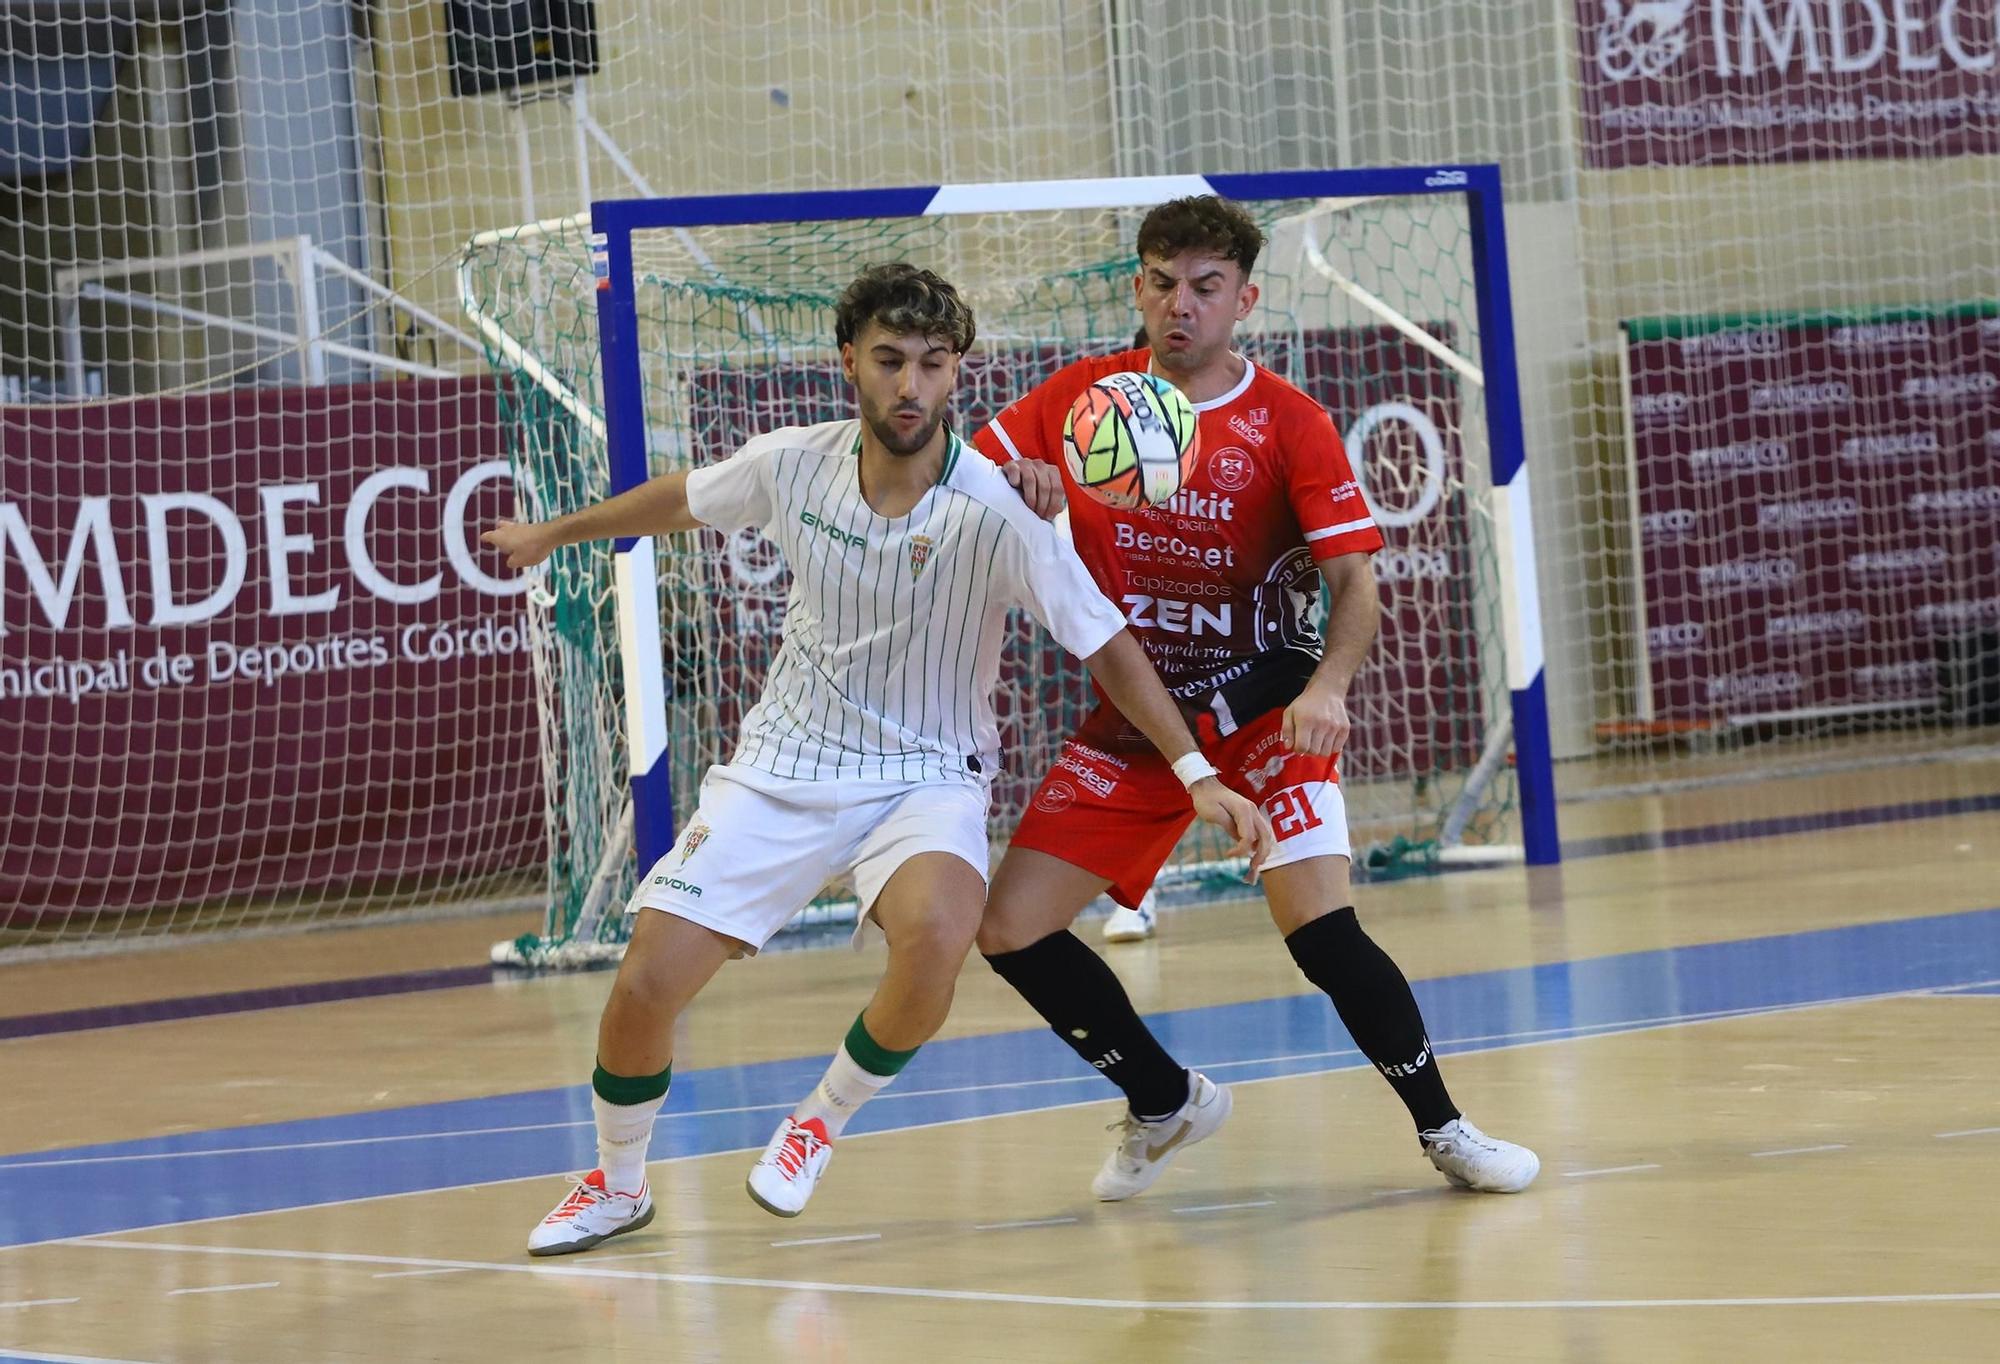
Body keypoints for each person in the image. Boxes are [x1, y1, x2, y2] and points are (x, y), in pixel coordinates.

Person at [483, 262, 1275, 1255]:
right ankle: (615, 1181)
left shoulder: (1002, 508)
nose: (909, 384)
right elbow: (677, 501)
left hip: (928, 774)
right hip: (782, 764)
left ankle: (816, 1120)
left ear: (957, 374)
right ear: (848, 360)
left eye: (931, 364)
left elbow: (1109, 646)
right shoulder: (789, 462)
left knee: (940, 932)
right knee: (644, 982)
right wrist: (552, 534)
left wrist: (1197, 773)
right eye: (890, 360)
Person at [971, 196, 1540, 1200]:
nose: (1177, 304)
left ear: (1245, 297)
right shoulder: (1078, 400)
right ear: (1136, 287)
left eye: (1203, 286)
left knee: (1320, 930)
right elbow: (959, 483)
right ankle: (1163, 1099)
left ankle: (1445, 1127)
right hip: (1140, 721)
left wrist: (1328, 687)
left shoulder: (1289, 423)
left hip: (1268, 714)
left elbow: (1356, 580)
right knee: (1007, 925)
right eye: (1159, 281)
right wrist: (1014, 479)